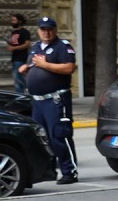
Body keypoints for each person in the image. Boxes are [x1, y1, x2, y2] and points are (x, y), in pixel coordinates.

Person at [19, 16, 79, 184]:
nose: (47, 32)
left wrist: (45, 65)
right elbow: (33, 67)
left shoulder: (62, 46)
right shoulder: (35, 47)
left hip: (56, 99)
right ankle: (48, 171)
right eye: (43, 29)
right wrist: (26, 70)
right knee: (42, 138)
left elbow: (69, 68)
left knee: (59, 135)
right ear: (38, 31)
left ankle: (69, 171)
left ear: (55, 30)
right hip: (38, 101)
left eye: (50, 29)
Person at [3, 13, 32, 95]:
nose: (12, 22)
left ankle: (25, 94)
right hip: (14, 58)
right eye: (12, 20)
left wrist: (14, 48)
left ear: (20, 21)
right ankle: (20, 95)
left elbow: (28, 44)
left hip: (21, 58)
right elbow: (14, 44)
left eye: (14, 20)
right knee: (17, 79)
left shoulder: (25, 32)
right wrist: (9, 45)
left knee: (19, 79)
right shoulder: (14, 32)